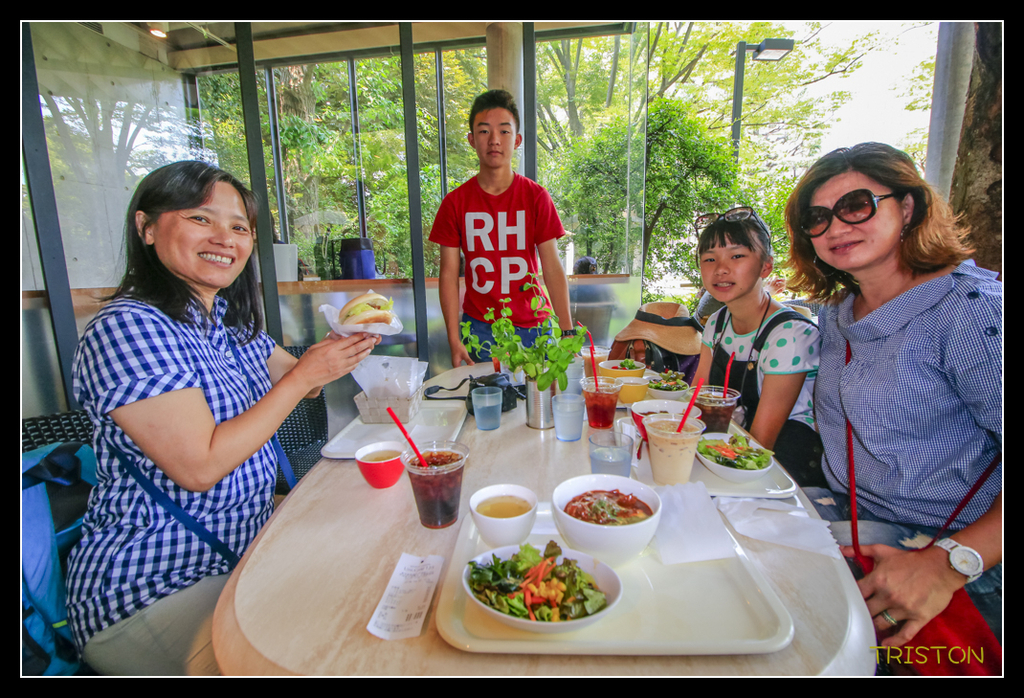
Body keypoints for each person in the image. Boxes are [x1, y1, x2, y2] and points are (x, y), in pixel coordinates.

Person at [65, 161, 378, 675]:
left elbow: (305, 380)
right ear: (146, 227)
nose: (223, 238)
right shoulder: (128, 327)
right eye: (200, 219)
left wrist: (341, 345)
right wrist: (303, 377)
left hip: (244, 553)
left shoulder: (226, 325)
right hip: (155, 587)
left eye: (238, 227)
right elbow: (200, 465)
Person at [784, 142, 1002, 649]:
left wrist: (950, 563)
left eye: (856, 205)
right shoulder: (839, 313)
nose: (836, 227)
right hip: (849, 515)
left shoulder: (973, 313)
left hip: (953, 555)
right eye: (817, 217)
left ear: (907, 207)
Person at [430, 89, 573, 366]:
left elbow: (552, 266)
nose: (494, 140)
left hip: (535, 326)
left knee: (538, 406)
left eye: (504, 132)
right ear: (472, 140)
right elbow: (448, 274)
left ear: (517, 140)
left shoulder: (536, 197)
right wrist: (453, 338)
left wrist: (567, 331)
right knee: (484, 407)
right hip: (479, 329)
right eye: (484, 131)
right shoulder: (454, 203)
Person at [692, 207, 825, 487]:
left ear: (766, 266)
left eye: (737, 256)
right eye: (709, 259)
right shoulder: (717, 323)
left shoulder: (789, 334)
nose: (721, 268)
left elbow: (761, 442)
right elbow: (698, 400)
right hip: (725, 452)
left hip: (780, 469)